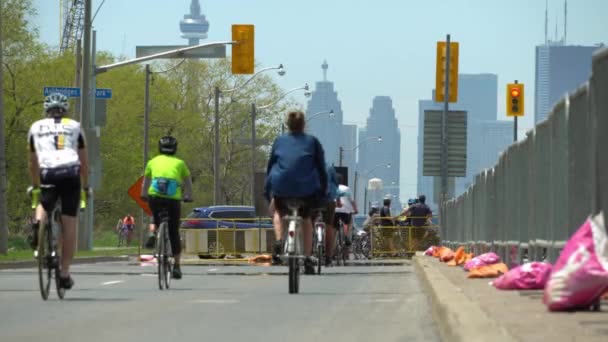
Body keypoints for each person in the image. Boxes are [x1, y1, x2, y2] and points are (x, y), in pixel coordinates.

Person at [27, 92, 90, 290]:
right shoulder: (75, 126)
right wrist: (86, 184)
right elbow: (84, 161)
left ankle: (39, 224)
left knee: (43, 202)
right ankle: (64, 273)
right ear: (65, 110)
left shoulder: (35, 127)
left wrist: (35, 183)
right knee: (69, 223)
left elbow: (32, 160)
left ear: (46, 111)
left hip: (47, 172)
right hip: (70, 172)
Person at [265, 111, 327, 275]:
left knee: (278, 212)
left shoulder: (279, 141)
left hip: (281, 188)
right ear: (303, 124)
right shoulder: (312, 142)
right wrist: (322, 191)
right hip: (306, 190)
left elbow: (271, 167)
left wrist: (268, 192)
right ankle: (307, 258)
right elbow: (321, 168)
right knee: (306, 219)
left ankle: (279, 241)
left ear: (288, 124)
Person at [141, 135, 193, 280]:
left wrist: (143, 194)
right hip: (173, 199)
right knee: (174, 232)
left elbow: (146, 181)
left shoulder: (152, 161)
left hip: (155, 197)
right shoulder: (180, 163)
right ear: (175, 149)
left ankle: (153, 233)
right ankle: (176, 266)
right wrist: (189, 195)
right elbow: (188, 182)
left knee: (155, 216)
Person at [333, 173, 358, 259]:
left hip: (335, 212)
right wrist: (355, 210)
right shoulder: (347, 189)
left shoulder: (332, 188)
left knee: (333, 229)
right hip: (345, 212)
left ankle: (333, 249)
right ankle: (347, 237)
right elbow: (352, 201)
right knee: (348, 224)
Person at [322, 165, 341, 266]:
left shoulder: (307, 164)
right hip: (328, 199)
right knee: (329, 226)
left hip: (313, 199)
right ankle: (328, 257)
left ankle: (308, 254)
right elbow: (336, 184)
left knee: (309, 222)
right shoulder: (329, 167)